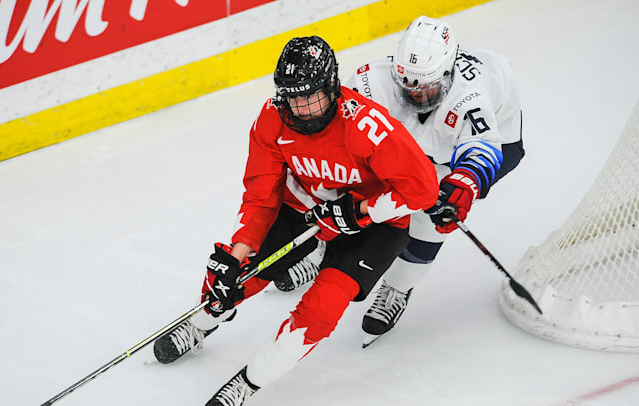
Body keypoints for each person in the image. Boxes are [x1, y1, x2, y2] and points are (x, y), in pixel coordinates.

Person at [153, 35, 439, 405]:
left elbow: (423, 190)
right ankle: (199, 324)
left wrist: (363, 211)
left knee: (320, 311)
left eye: (310, 96)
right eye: (292, 96)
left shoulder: (367, 126)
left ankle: (249, 382)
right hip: (309, 207)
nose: (301, 108)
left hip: (375, 224)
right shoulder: (272, 119)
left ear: (332, 87)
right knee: (232, 277)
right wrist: (237, 254)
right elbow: (261, 195)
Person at [340, 15, 525, 347]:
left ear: (449, 73)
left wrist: (464, 183)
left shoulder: (473, 96)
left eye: (426, 88)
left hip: (487, 143)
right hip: (423, 142)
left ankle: (398, 287)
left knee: (434, 213)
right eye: (408, 86)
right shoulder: (370, 80)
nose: (416, 97)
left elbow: (481, 151)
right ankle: (325, 249)